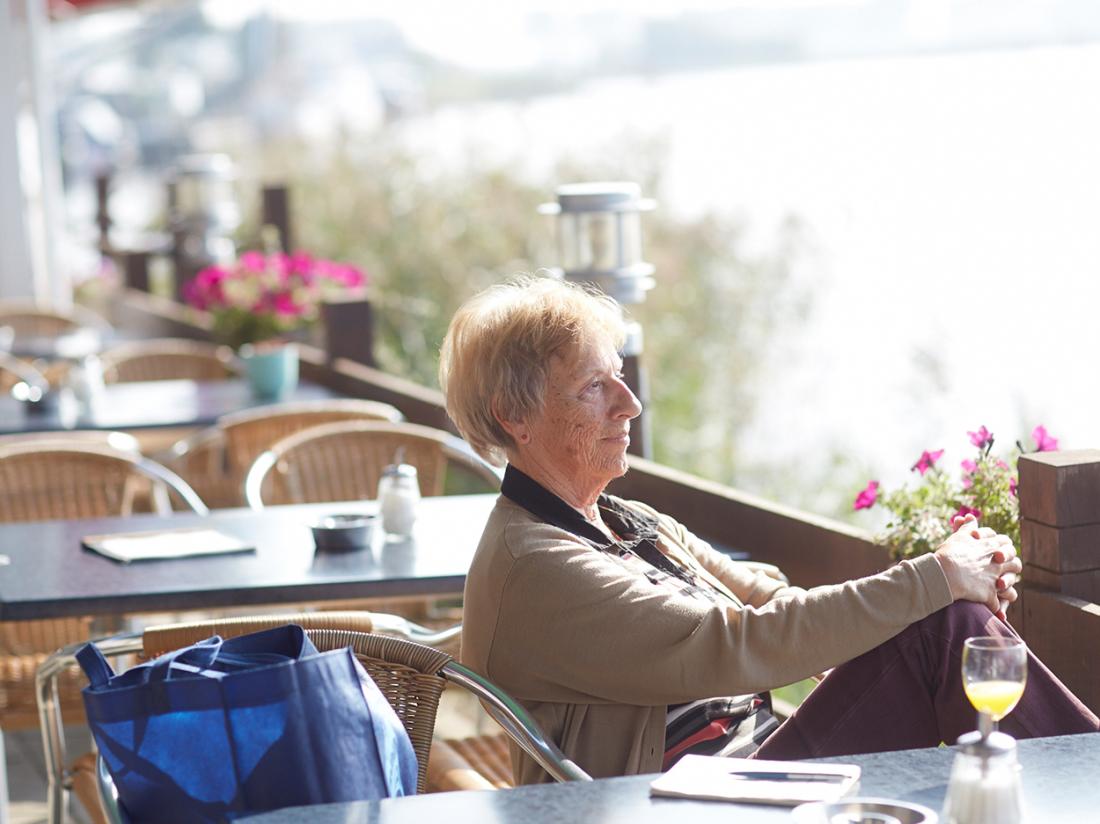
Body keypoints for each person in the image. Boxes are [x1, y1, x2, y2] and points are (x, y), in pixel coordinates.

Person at [438, 275, 1098, 784]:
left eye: (619, 376)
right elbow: (738, 642)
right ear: (514, 417)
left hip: (752, 770)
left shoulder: (622, 522)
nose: (629, 402)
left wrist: (951, 584)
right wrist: (937, 580)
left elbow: (772, 604)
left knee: (943, 625)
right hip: (677, 806)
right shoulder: (535, 564)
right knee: (943, 634)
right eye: (592, 387)